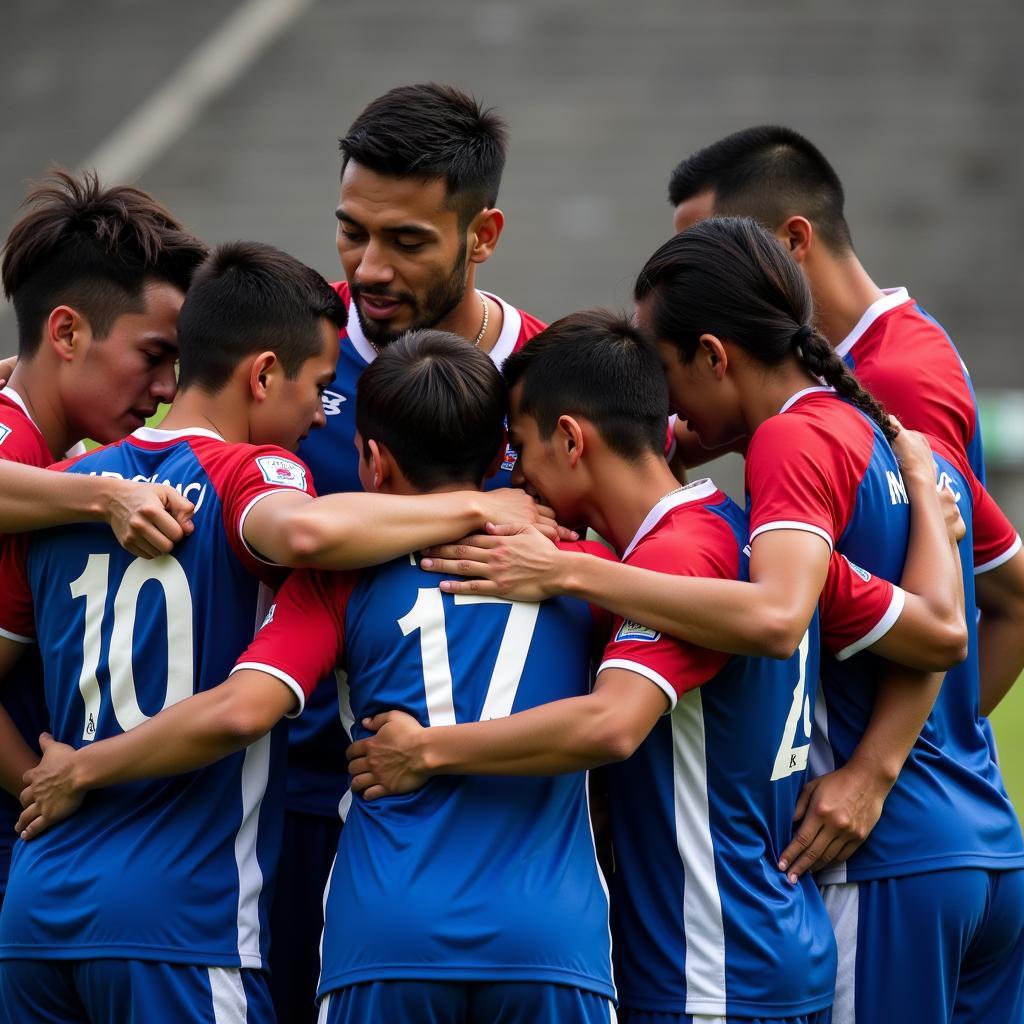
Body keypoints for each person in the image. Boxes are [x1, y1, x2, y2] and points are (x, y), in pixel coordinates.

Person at [408, 219, 1019, 1023]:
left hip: (759, 941)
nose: (667, 406)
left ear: (713, 355)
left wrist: (426, 745)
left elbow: (639, 706)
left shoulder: (766, 472)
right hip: (949, 854)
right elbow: (947, 630)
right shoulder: (814, 481)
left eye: (666, 372)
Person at [0, 242, 553, 1024]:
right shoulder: (253, 472)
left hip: (35, 908)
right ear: (262, 375)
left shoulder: (66, 488)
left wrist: (39, 778)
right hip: (182, 920)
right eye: (320, 391)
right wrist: (481, 505)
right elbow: (301, 537)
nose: (316, 418)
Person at [345, 313, 853, 1021]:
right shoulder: (741, 533)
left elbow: (612, 724)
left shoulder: (674, 555)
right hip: (767, 938)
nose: (516, 477)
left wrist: (425, 748)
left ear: (571, 439)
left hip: (711, 964)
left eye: (521, 448)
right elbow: (929, 630)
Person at [278, 82, 552, 1023]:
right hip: (311, 799)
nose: (366, 267)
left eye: (407, 241)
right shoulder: (287, 355)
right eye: (353, 231)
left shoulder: (552, 377)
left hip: (525, 831)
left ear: (484, 235)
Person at [0, 169, 206, 905]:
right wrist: (47, 797)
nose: (163, 390)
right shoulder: (30, 452)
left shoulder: (41, 448)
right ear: (65, 331)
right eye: (152, 357)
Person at [667, 125, 987, 483]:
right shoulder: (794, 356)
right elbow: (650, 447)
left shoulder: (900, 376)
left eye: (712, 259)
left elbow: (959, 534)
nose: (694, 285)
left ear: (793, 239)